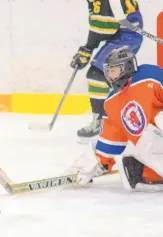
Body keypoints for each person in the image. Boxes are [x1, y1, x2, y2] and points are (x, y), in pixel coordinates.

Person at [75, 46, 163, 192]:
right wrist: (95, 163)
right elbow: (111, 138)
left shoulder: (150, 76)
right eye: (108, 71)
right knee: (137, 154)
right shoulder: (112, 102)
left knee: (153, 128)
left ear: (127, 67)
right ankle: (154, 176)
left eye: (113, 70)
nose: (109, 75)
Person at [70, 0, 143, 142]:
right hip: (126, 33)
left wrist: (88, 49)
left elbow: (105, 27)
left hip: (126, 36)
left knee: (97, 74)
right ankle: (123, 120)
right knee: (112, 78)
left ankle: (100, 124)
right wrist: (88, 49)